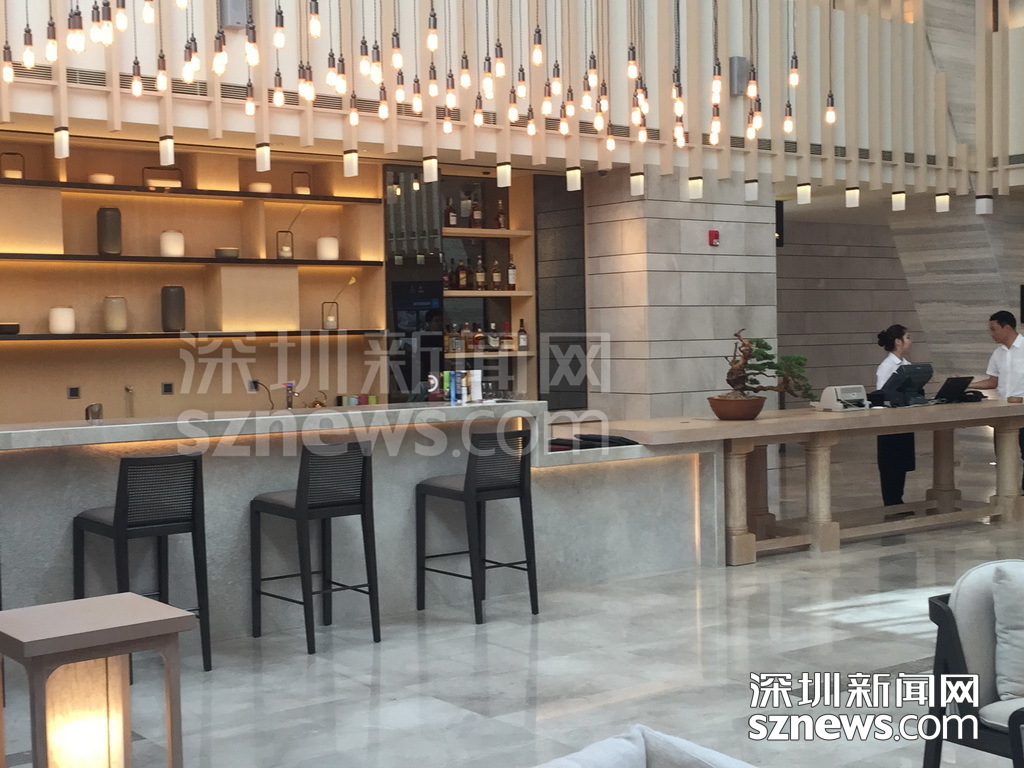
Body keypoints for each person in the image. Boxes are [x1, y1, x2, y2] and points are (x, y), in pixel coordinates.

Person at [971, 310, 1024, 489]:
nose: (991, 334)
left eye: (994, 329)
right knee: (1003, 455)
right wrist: (968, 384)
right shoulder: (997, 354)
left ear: (1007, 328)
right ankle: (1006, 492)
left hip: (1022, 411)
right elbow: (993, 382)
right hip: (1003, 411)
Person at [875, 325, 915, 506]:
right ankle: (891, 503)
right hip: (890, 423)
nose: (910, 341)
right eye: (907, 337)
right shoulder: (886, 367)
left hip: (905, 420)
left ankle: (898, 500)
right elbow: (881, 394)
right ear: (898, 341)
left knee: (901, 464)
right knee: (890, 466)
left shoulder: (908, 366)